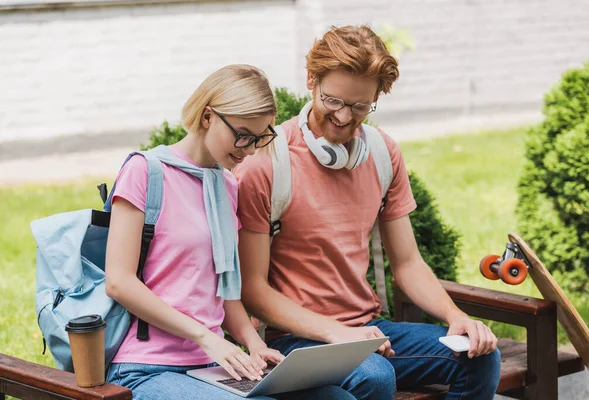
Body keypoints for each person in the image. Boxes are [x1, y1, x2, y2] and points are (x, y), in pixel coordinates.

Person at [233, 27, 502, 400]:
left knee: (479, 358)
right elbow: (253, 289)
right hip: (296, 338)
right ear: (311, 80)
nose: (344, 117)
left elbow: (407, 264)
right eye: (333, 101)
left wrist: (456, 317)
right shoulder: (267, 165)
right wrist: (338, 334)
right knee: (373, 375)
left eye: (360, 106)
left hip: (370, 330)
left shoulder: (381, 153)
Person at [104, 64, 356, 400]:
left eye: (259, 137)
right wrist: (206, 337)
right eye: (243, 134)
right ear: (208, 117)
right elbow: (118, 281)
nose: (249, 149)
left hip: (213, 365)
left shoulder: (227, 185)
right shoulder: (145, 171)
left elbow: (226, 291)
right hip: (148, 367)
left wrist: (254, 345)